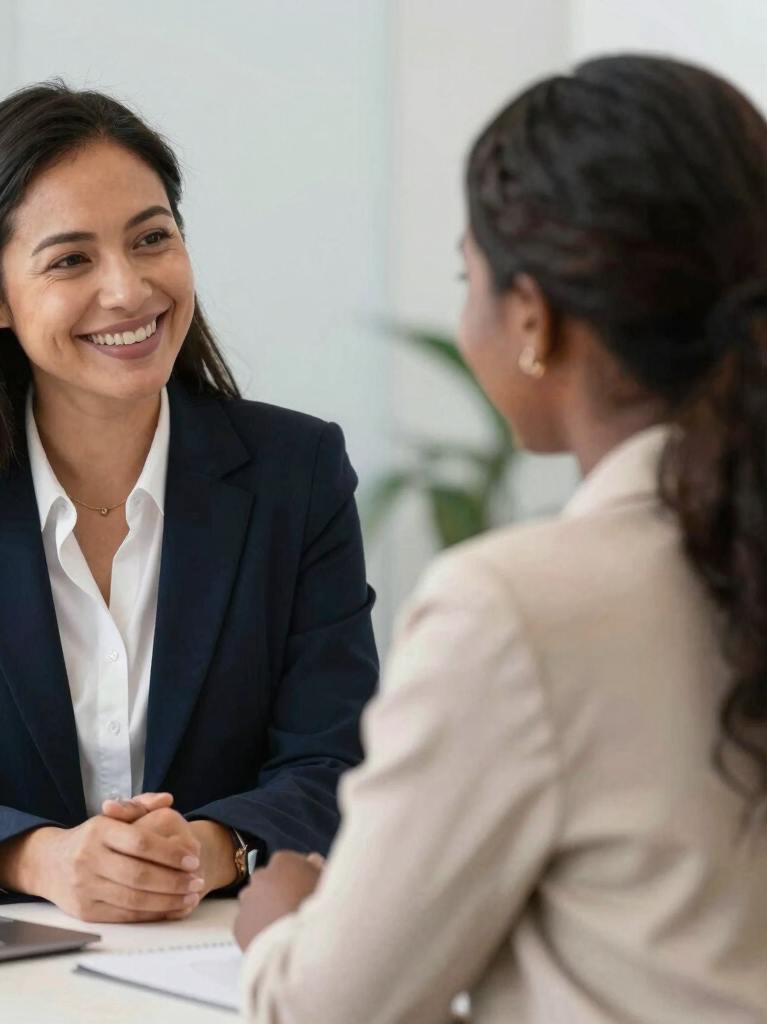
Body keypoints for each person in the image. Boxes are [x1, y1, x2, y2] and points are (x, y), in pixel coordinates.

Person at [234, 55, 767, 1023]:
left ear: (530, 315)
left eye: (465, 275)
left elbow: (330, 1007)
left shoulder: (518, 607)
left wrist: (278, 924)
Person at [0, 84, 378, 924]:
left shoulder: (296, 473)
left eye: (152, 239)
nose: (128, 290)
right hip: (4, 961)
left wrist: (209, 847)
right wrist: (44, 858)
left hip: (227, 953)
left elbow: (335, 760)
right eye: (70, 259)